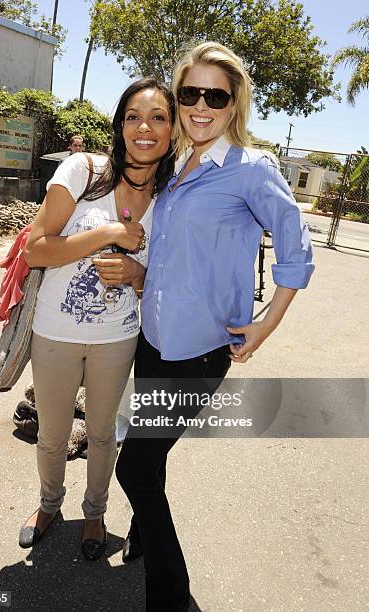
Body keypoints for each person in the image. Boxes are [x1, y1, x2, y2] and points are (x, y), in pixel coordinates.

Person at [115, 42, 315, 610]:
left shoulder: (252, 170)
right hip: (153, 341)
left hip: (200, 353)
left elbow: (296, 252)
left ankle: (170, 596)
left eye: (215, 96)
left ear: (234, 104)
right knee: (150, 457)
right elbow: (177, 256)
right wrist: (137, 271)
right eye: (189, 94)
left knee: (136, 467)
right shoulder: (178, 168)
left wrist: (266, 324)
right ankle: (140, 533)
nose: (200, 106)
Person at [19, 77, 175, 560]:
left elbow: (169, 280)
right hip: (55, 331)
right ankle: (48, 506)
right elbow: (35, 249)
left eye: (158, 117)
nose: (143, 128)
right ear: (119, 125)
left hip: (118, 337)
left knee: (104, 432)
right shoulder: (83, 171)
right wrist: (108, 232)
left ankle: (95, 514)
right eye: (132, 116)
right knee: (52, 432)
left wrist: (137, 272)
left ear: (173, 131)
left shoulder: (173, 198)